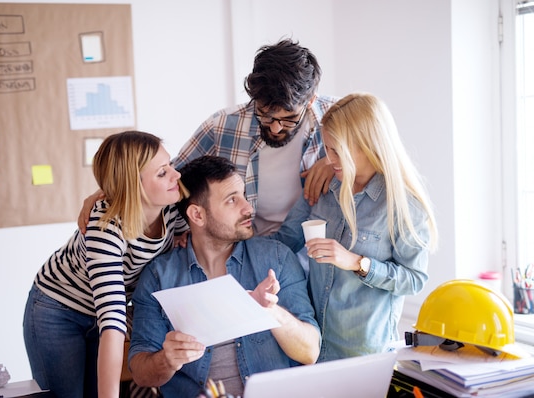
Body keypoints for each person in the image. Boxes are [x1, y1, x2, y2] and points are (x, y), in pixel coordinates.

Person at [78, 39, 339, 237]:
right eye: (265, 115)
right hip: (248, 247)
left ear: (311, 101)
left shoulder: (340, 118)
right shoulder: (223, 125)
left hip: (314, 248)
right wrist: (111, 190)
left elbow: (378, 159)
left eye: (288, 118)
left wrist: (339, 161)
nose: (274, 128)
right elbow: (170, 177)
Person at [128, 156, 321, 398]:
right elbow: (141, 373)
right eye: (232, 200)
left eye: (243, 195)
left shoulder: (276, 259)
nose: (248, 207)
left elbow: (310, 351)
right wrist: (167, 359)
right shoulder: (159, 277)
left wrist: (270, 312)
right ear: (197, 215)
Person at [272, 93, 439, 361]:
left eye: (338, 150)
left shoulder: (403, 204)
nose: (330, 159)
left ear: (368, 145)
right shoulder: (324, 187)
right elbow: (283, 241)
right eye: (328, 149)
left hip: (361, 354)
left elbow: (414, 279)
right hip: (310, 347)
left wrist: (357, 263)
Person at [23, 131, 189, 398]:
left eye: (170, 165)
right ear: (133, 185)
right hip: (58, 309)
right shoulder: (105, 229)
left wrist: (186, 238)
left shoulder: (171, 207)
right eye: (162, 172)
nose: (176, 175)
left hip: (106, 313)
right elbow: (112, 323)